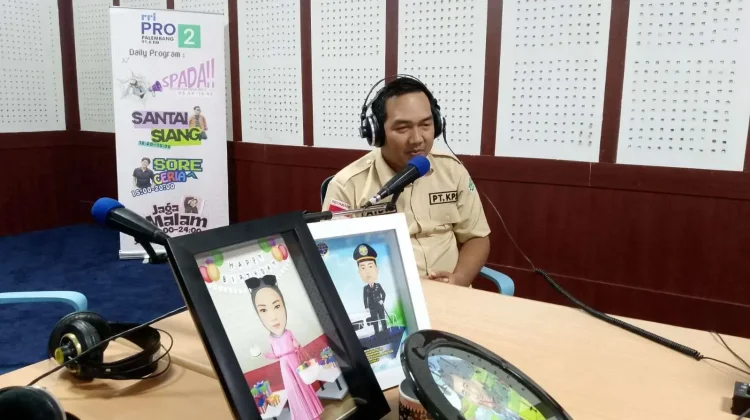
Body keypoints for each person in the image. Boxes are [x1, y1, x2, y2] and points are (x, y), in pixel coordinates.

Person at [322, 76, 490, 287]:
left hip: (454, 292)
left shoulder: (452, 170)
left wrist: (459, 280)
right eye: (403, 128)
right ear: (377, 133)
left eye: (426, 125)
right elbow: (336, 259)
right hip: (390, 297)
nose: (417, 139)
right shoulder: (348, 185)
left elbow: (477, 237)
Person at [246, 275, 324, 420]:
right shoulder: (270, 338)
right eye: (263, 310)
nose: (273, 317)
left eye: (277, 306)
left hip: (295, 361)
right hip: (284, 365)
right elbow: (275, 354)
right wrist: (264, 355)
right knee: (293, 390)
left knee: (303, 385)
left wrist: (296, 345)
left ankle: (313, 415)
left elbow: (298, 346)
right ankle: (303, 416)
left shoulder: (288, 333)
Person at [354, 243, 387, 336]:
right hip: (372, 307)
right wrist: (366, 307)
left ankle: (386, 332)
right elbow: (365, 298)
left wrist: (382, 300)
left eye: (370, 266)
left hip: (380, 305)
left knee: (382, 319)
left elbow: (383, 294)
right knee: (375, 321)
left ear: (377, 269)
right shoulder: (365, 288)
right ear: (359, 272)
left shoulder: (378, 285)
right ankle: (377, 334)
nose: (367, 271)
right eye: (363, 268)